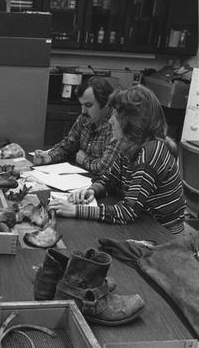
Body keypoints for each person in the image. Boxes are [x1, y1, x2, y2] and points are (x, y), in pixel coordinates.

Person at [48, 85, 186, 235]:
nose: (111, 120)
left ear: (133, 121)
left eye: (117, 114)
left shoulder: (151, 152)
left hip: (161, 233)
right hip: (143, 223)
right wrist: (92, 191)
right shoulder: (129, 144)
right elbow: (109, 180)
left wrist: (76, 210)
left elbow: (127, 212)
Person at [33, 76, 117, 180]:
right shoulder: (84, 118)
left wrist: (84, 159)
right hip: (81, 179)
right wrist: (49, 157)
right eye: (82, 105)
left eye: (88, 105)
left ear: (106, 103)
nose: (83, 111)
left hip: (103, 186)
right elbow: (68, 146)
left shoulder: (117, 124)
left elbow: (105, 168)